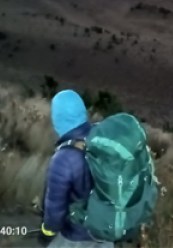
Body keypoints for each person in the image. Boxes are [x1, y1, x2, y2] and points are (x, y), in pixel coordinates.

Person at [38, 90, 112, 248]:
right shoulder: (103, 138)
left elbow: (55, 210)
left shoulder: (63, 159)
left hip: (77, 236)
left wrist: (46, 233)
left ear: (58, 118)